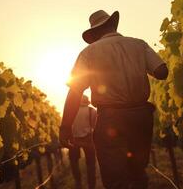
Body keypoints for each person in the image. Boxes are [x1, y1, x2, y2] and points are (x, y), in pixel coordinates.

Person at [60, 10, 168, 189]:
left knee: (116, 179)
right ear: (113, 25)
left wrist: (65, 127)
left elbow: (75, 91)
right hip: (141, 117)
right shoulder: (139, 44)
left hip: (111, 119)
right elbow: (162, 72)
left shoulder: (88, 52)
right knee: (137, 172)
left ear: (94, 34)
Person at [68, 95, 97, 189]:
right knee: (91, 164)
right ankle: (91, 185)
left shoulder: (71, 111)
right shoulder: (92, 111)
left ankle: (78, 182)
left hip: (74, 140)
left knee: (74, 162)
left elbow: (68, 126)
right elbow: (94, 126)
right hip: (88, 139)